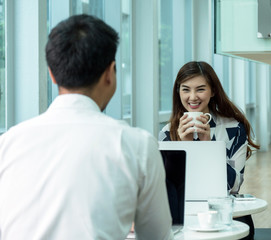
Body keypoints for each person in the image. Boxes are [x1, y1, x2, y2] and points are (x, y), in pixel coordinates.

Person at [0, 14, 173, 240]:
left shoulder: (9, 142)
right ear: (110, 73)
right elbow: (156, 237)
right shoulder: (136, 144)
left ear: (52, 74)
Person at [158, 61, 260, 240]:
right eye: (185, 89)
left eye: (200, 89)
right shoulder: (168, 133)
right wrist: (184, 147)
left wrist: (208, 146)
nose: (192, 97)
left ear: (213, 91)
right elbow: (168, 189)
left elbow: (234, 186)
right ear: (178, 92)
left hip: (224, 215)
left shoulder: (233, 128)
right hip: (183, 215)